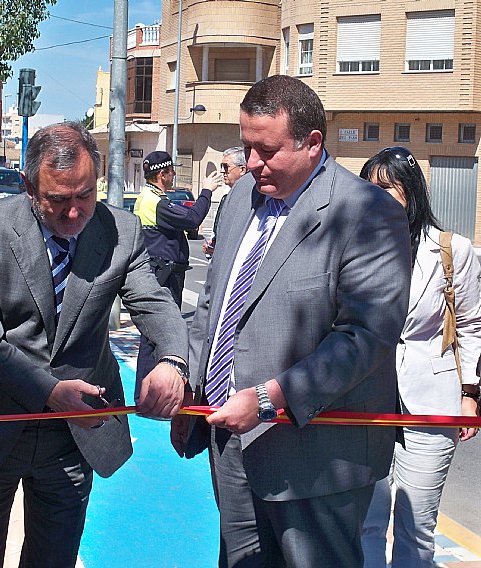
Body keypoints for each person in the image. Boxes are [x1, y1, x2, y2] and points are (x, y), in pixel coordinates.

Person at [171, 75, 412, 567]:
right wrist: (189, 383)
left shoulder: (368, 213)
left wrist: (268, 398)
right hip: (231, 443)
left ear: (312, 143)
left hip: (316, 457)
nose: (251, 162)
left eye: (266, 150)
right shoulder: (242, 197)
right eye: (246, 147)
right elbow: (213, 303)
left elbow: (365, 337)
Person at [0, 122, 189, 567]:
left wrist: (173, 360)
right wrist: (50, 392)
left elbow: (154, 302)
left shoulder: (121, 231)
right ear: (29, 187)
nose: (74, 212)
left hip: (72, 437)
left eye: (85, 195)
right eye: (57, 200)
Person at [359, 146, 481, 568]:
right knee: (366, 522)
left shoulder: (452, 250)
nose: (374, 197)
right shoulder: (355, 246)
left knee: (416, 527)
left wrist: (470, 394)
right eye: (368, 188)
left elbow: (470, 324)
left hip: (430, 403)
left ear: (410, 191)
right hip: (365, 403)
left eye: (385, 188)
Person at [133, 150, 219, 388]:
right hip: (164, 275)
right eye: (171, 171)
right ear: (163, 174)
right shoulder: (157, 203)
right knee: (158, 333)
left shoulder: (151, 197)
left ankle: (148, 389)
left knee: (155, 333)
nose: (173, 175)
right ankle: (146, 392)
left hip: (163, 272)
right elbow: (192, 219)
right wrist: (207, 191)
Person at [203, 146, 247, 259]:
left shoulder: (249, 197)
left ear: (242, 170)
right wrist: (213, 244)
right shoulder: (226, 193)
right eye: (221, 166)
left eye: (226, 167)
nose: (222, 171)